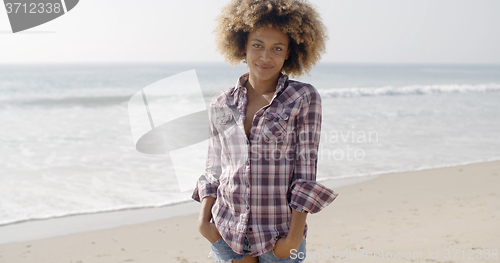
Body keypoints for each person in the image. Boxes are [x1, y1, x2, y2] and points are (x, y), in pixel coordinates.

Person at [192, 0, 338, 262]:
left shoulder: (303, 97)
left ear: (289, 53)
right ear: (243, 46)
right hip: (226, 232)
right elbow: (215, 166)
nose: (265, 57)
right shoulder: (221, 102)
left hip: (278, 235)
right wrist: (204, 222)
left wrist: (294, 237)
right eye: (257, 45)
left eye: (277, 48)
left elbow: (305, 170)